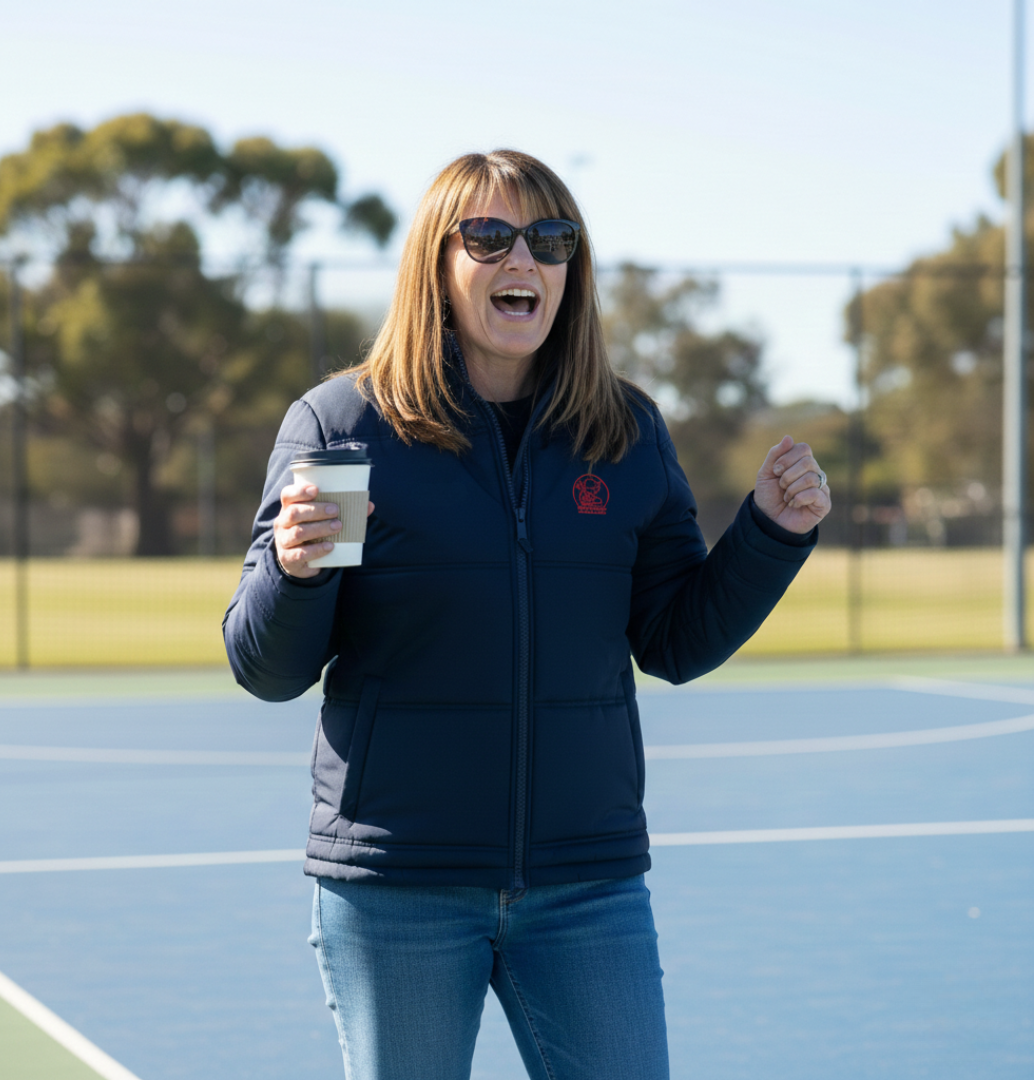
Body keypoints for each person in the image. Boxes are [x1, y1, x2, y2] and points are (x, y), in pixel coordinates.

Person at [223, 149, 831, 1080]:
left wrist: (770, 535)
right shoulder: (345, 426)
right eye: (490, 236)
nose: (525, 260)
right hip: (399, 887)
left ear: (571, 270)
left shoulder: (625, 433)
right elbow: (268, 669)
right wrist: (297, 574)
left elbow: (675, 641)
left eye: (551, 239)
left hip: (589, 884)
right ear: (438, 260)